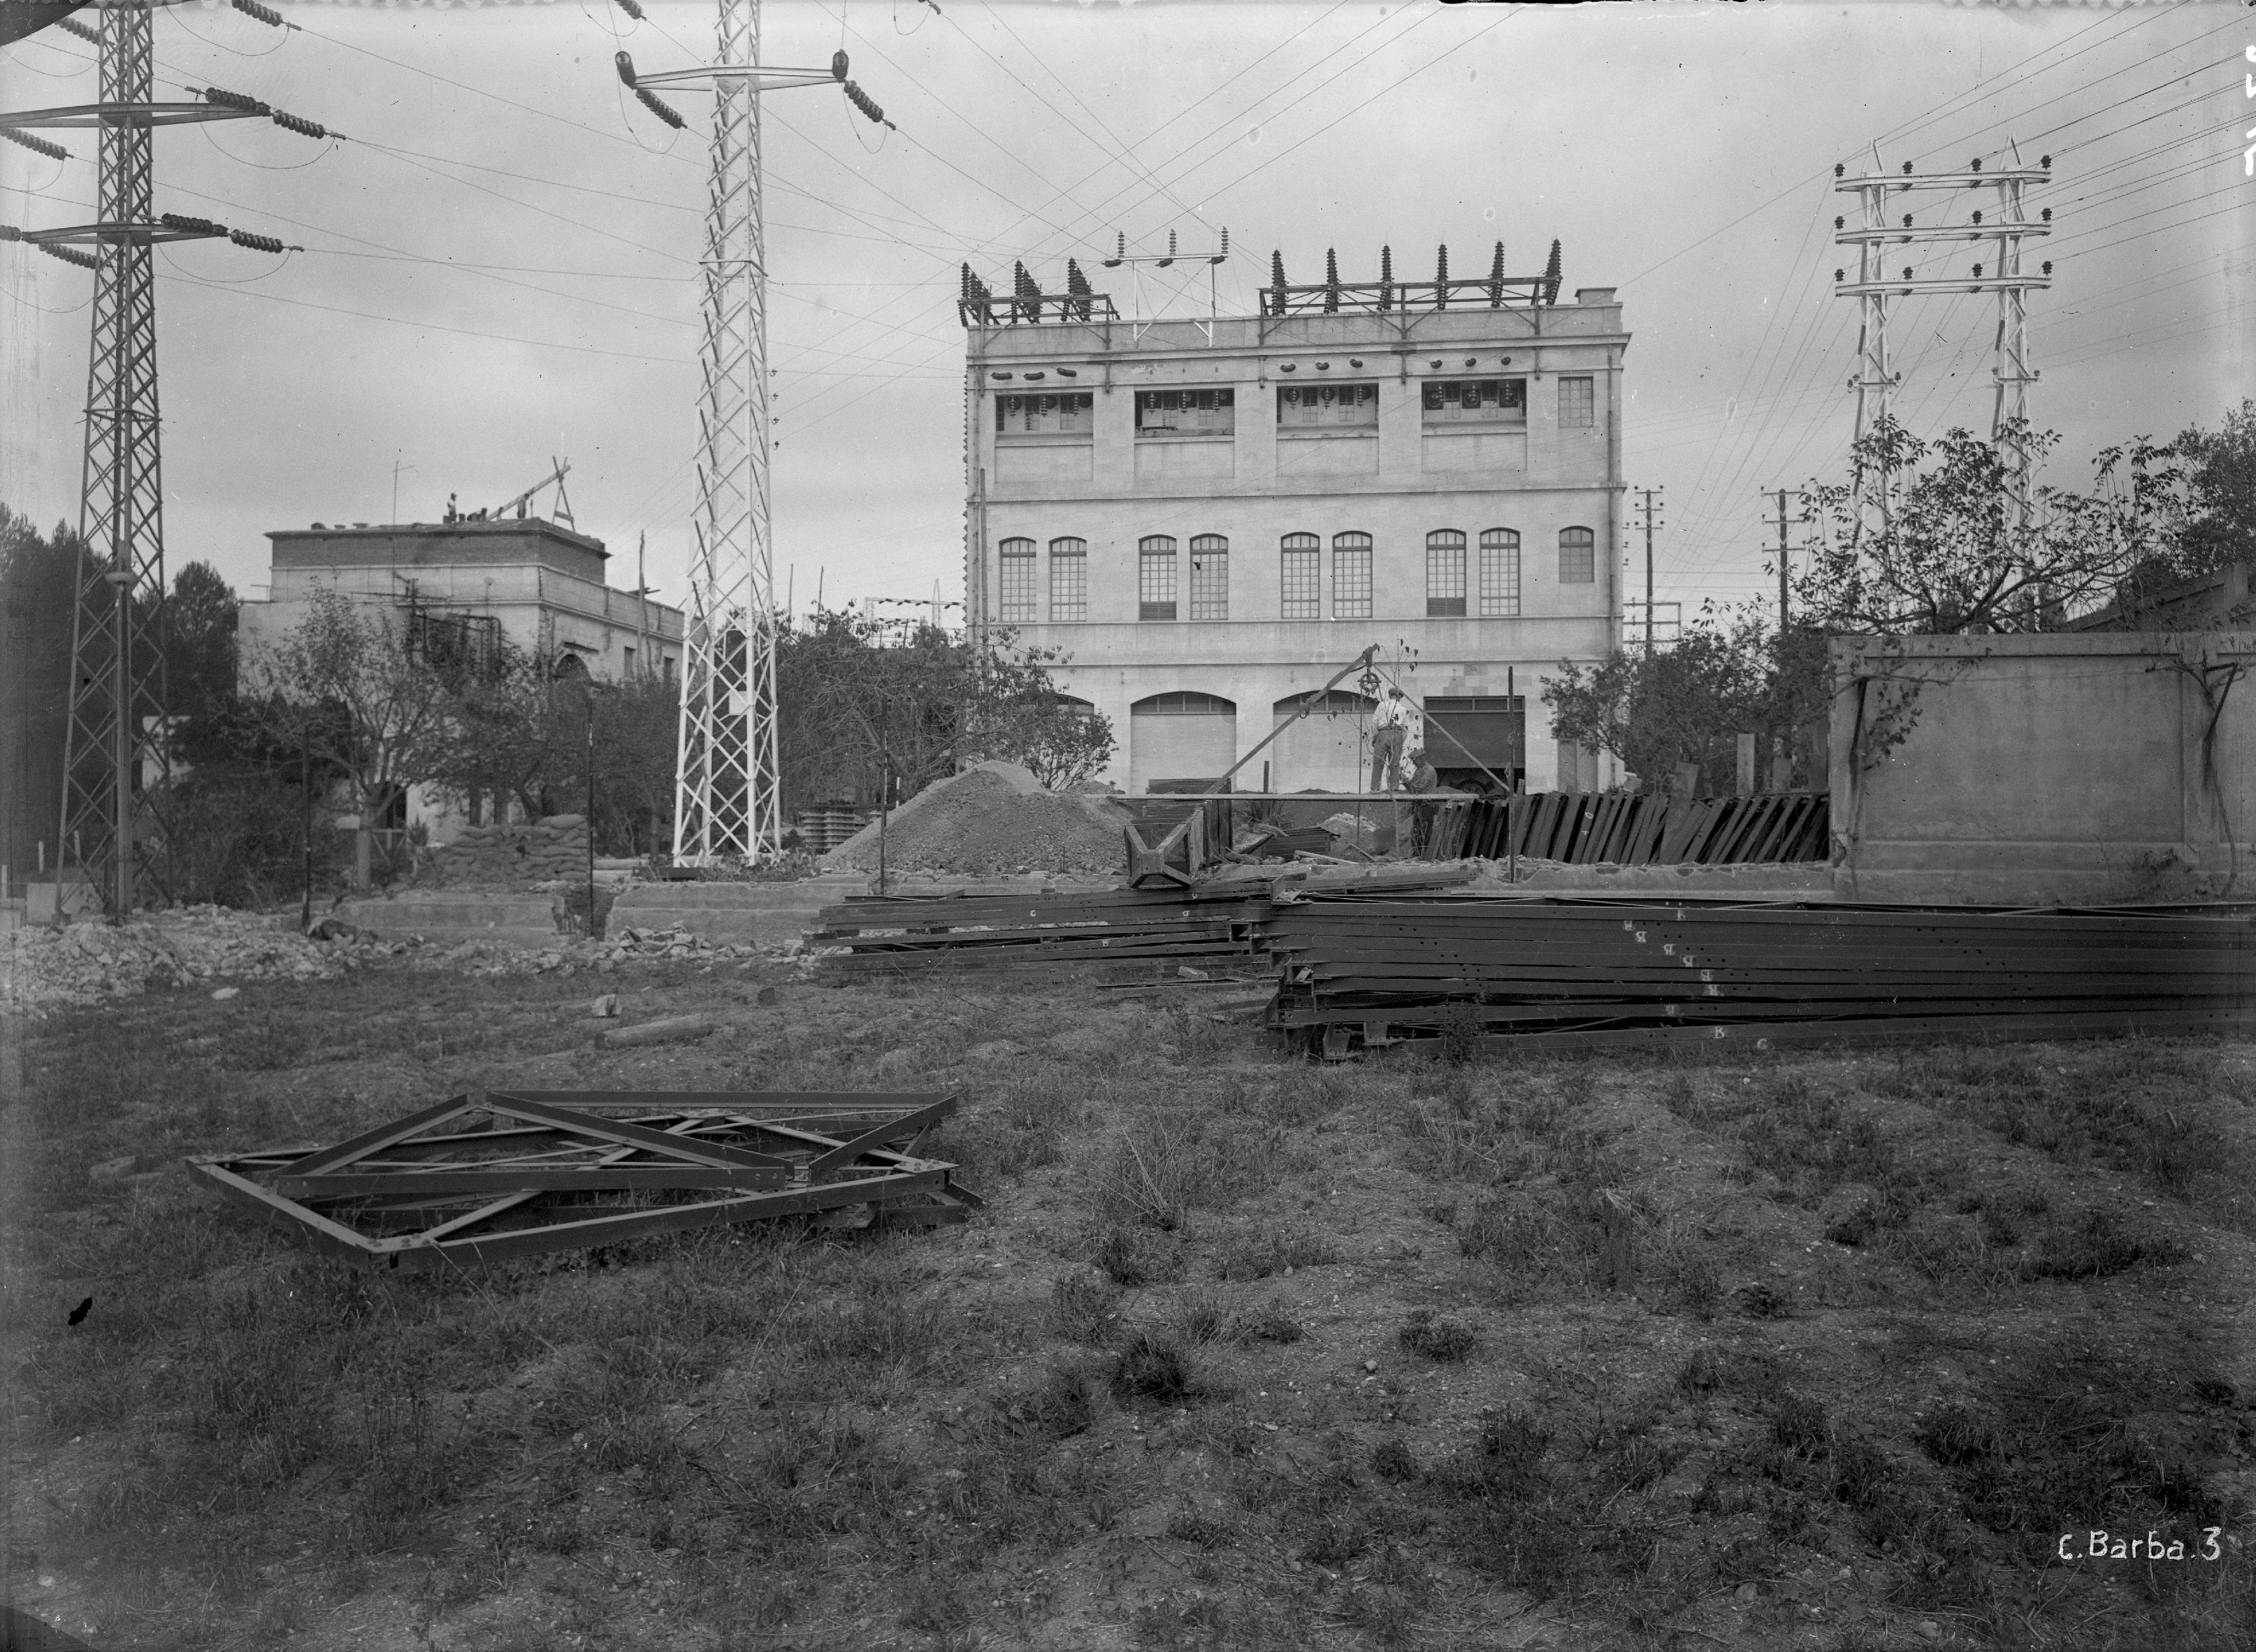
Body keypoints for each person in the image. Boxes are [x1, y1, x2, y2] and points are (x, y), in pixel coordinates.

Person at [1371, 686, 1419, 791]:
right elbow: (1406, 729)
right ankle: (1394, 789)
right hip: (1397, 734)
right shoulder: (1403, 708)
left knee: (1378, 762)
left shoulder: (1382, 705)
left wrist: (1374, 737)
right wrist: (1401, 740)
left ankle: (1375, 789)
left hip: (1382, 733)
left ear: (1390, 695)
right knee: (1395, 764)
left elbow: (1375, 722)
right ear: (1399, 697)